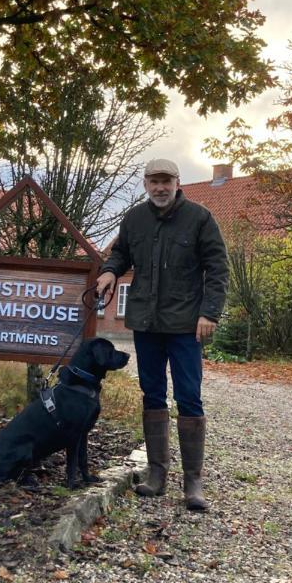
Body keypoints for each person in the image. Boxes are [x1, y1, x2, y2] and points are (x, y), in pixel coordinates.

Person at [96, 158, 229, 511]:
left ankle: (193, 481)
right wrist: (110, 271)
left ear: (177, 182)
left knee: (189, 397)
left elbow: (218, 269)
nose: (160, 187)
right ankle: (156, 474)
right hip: (146, 324)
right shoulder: (135, 218)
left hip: (187, 326)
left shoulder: (200, 218)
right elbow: (121, 252)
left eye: (166, 181)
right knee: (152, 393)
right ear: (145, 184)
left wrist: (209, 313)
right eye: (154, 181)